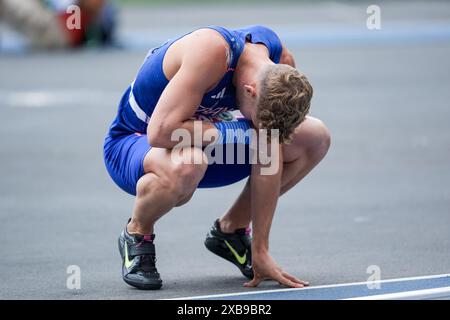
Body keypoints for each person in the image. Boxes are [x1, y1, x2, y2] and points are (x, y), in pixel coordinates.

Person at [103, 25, 331, 290]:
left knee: (315, 137)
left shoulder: (281, 64)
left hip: (199, 145)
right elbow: (160, 133)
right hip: (135, 143)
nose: (258, 129)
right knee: (190, 163)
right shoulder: (210, 52)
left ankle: (231, 231)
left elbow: (268, 148)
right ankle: (137, 233)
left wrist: (261, 250)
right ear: (250, 90)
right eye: (257, 120)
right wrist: (235, 131)